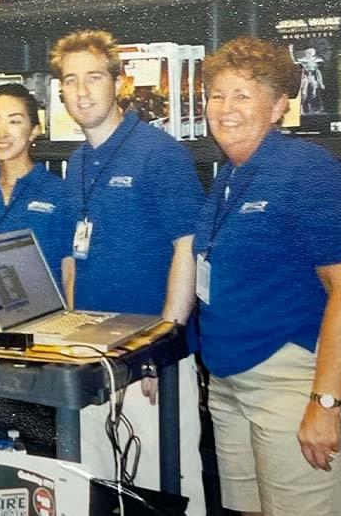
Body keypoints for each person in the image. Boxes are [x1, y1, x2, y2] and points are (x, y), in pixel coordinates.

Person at [195, 36, 341, 516]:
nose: (225, 108)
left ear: (279, 105)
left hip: (299, 380)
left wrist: (325, 403)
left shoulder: (310, 173)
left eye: (243, 95)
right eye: (217, 94)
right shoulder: (230, 177)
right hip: (233, 381)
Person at [51, 29, 206, 514]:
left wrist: (160, 345)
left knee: (165, 485)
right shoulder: (76, 163)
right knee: (96, 480)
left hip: (148, 361)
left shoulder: (160, 153)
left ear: (119, 82)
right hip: (95, 356)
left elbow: (188, 246)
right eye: (70, 81)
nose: (81, 91)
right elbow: (75, 258)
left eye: (93, 77)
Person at [0, 83, 73, 285]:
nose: (2, 133)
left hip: (46, 315)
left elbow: (69, 273)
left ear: (33, 131)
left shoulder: (59, 194)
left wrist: (72, 318)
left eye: (14, 121)